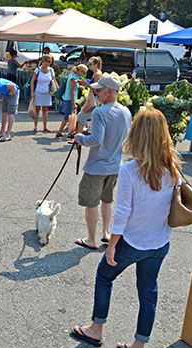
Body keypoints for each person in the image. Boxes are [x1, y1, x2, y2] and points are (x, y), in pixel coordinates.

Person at [70, 109, 181, 348]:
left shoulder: (130, 170)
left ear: (136, 135)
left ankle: (96, 329)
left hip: (131, 240)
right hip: (160, 241)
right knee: (148, 291)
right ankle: (139, 346)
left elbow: (123, 213)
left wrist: (112, 246)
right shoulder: (173, 167)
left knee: (104, 276)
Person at [72, 74, 132, 251]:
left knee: (92, 203)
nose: (96, 92)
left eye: (99, 90)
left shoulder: (100, 112)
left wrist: (79, 137)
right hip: (115, 164)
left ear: (108, 92)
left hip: (97, 165)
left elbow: (96, 139)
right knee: (107, 200)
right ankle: (106, 233)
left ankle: (91, 239)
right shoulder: (126, 111)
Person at [56, 64, 88, 138]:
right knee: (68, 117)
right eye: (83, 72)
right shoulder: (73, 79)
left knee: (71, 116)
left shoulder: (74, 76)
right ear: (79, 71)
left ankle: (69, 132)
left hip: (69, 98)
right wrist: (74, 103)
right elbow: (72, 92)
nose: (84, 74)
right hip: (70, 99)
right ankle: (60, 131)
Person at [76, 56, 104, 133]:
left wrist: (85, 83)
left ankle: (78, 138)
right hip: (93, 99)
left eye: (90, 64)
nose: (89, 66)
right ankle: (86, 133)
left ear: (95, 64)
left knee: (81, 117)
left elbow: (96, 90)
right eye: (88, 64)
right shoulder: (96, 73)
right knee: (90, 117)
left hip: (94, 99)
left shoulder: (97, 74)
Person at [30, 54, 57, 132]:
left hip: (47, 92)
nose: (48, 63)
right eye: (47, 61)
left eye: (50, 61)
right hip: (38, 91)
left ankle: (45, 126)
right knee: (37, 109)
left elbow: (54, 80)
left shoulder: (51, 70)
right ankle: (35, 126)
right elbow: (32, 81)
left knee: (45, 109)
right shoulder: (38, 69)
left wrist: (57, 90)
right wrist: (32, 92)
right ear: (43, 61)